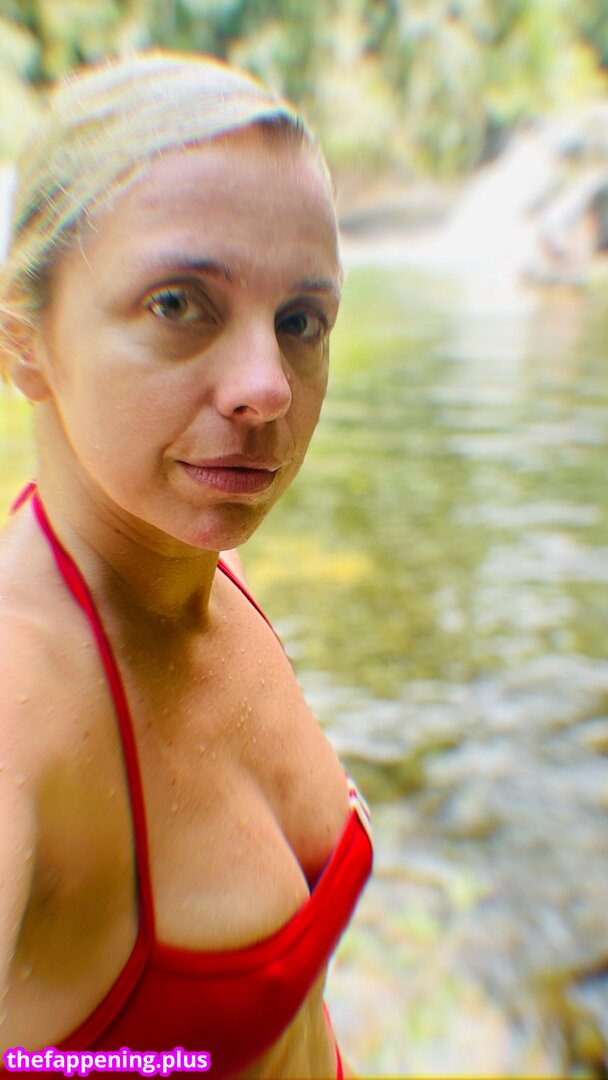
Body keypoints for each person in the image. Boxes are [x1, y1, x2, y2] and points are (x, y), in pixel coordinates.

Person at [0, 52, 372, 1079]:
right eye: (177, 304)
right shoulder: (17, 701)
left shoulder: (196, 563)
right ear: (25, 342)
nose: (269, 388)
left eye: (300, 321)